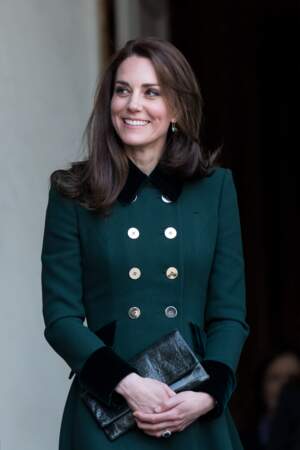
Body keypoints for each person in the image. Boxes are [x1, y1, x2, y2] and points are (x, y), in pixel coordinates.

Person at [41, 37, 249, 450]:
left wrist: (208, 394)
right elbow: (61, 319)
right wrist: (128, 384)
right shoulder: (72, 193)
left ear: (176, 108)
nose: (133, 105)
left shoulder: (215, 189)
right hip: (108, 415)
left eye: (152, 92)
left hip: (192, 412)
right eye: (123, 90)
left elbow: (228, 315)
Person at [241, 349, 300, 450]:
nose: (284, 385)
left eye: (292, 379)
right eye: (275, 378)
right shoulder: (240, 440)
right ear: (261, 386)